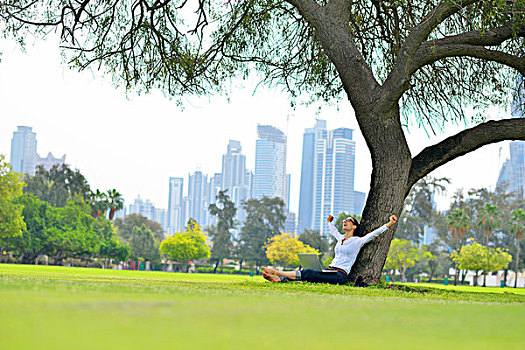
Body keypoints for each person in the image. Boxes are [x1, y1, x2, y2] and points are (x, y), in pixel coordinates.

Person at [262, 214, 398, 286]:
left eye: (349, 220)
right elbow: (333, 231)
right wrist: (329, 222)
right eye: (344, 220)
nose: (345, 221)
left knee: (309, 273)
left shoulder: (358, 241)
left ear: (355, 226)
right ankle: (280, 279)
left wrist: (390, 223)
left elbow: (374, 233)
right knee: (311, 275)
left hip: (339, 275)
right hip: (329, 270)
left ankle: (276, 272)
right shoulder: (340, 239)